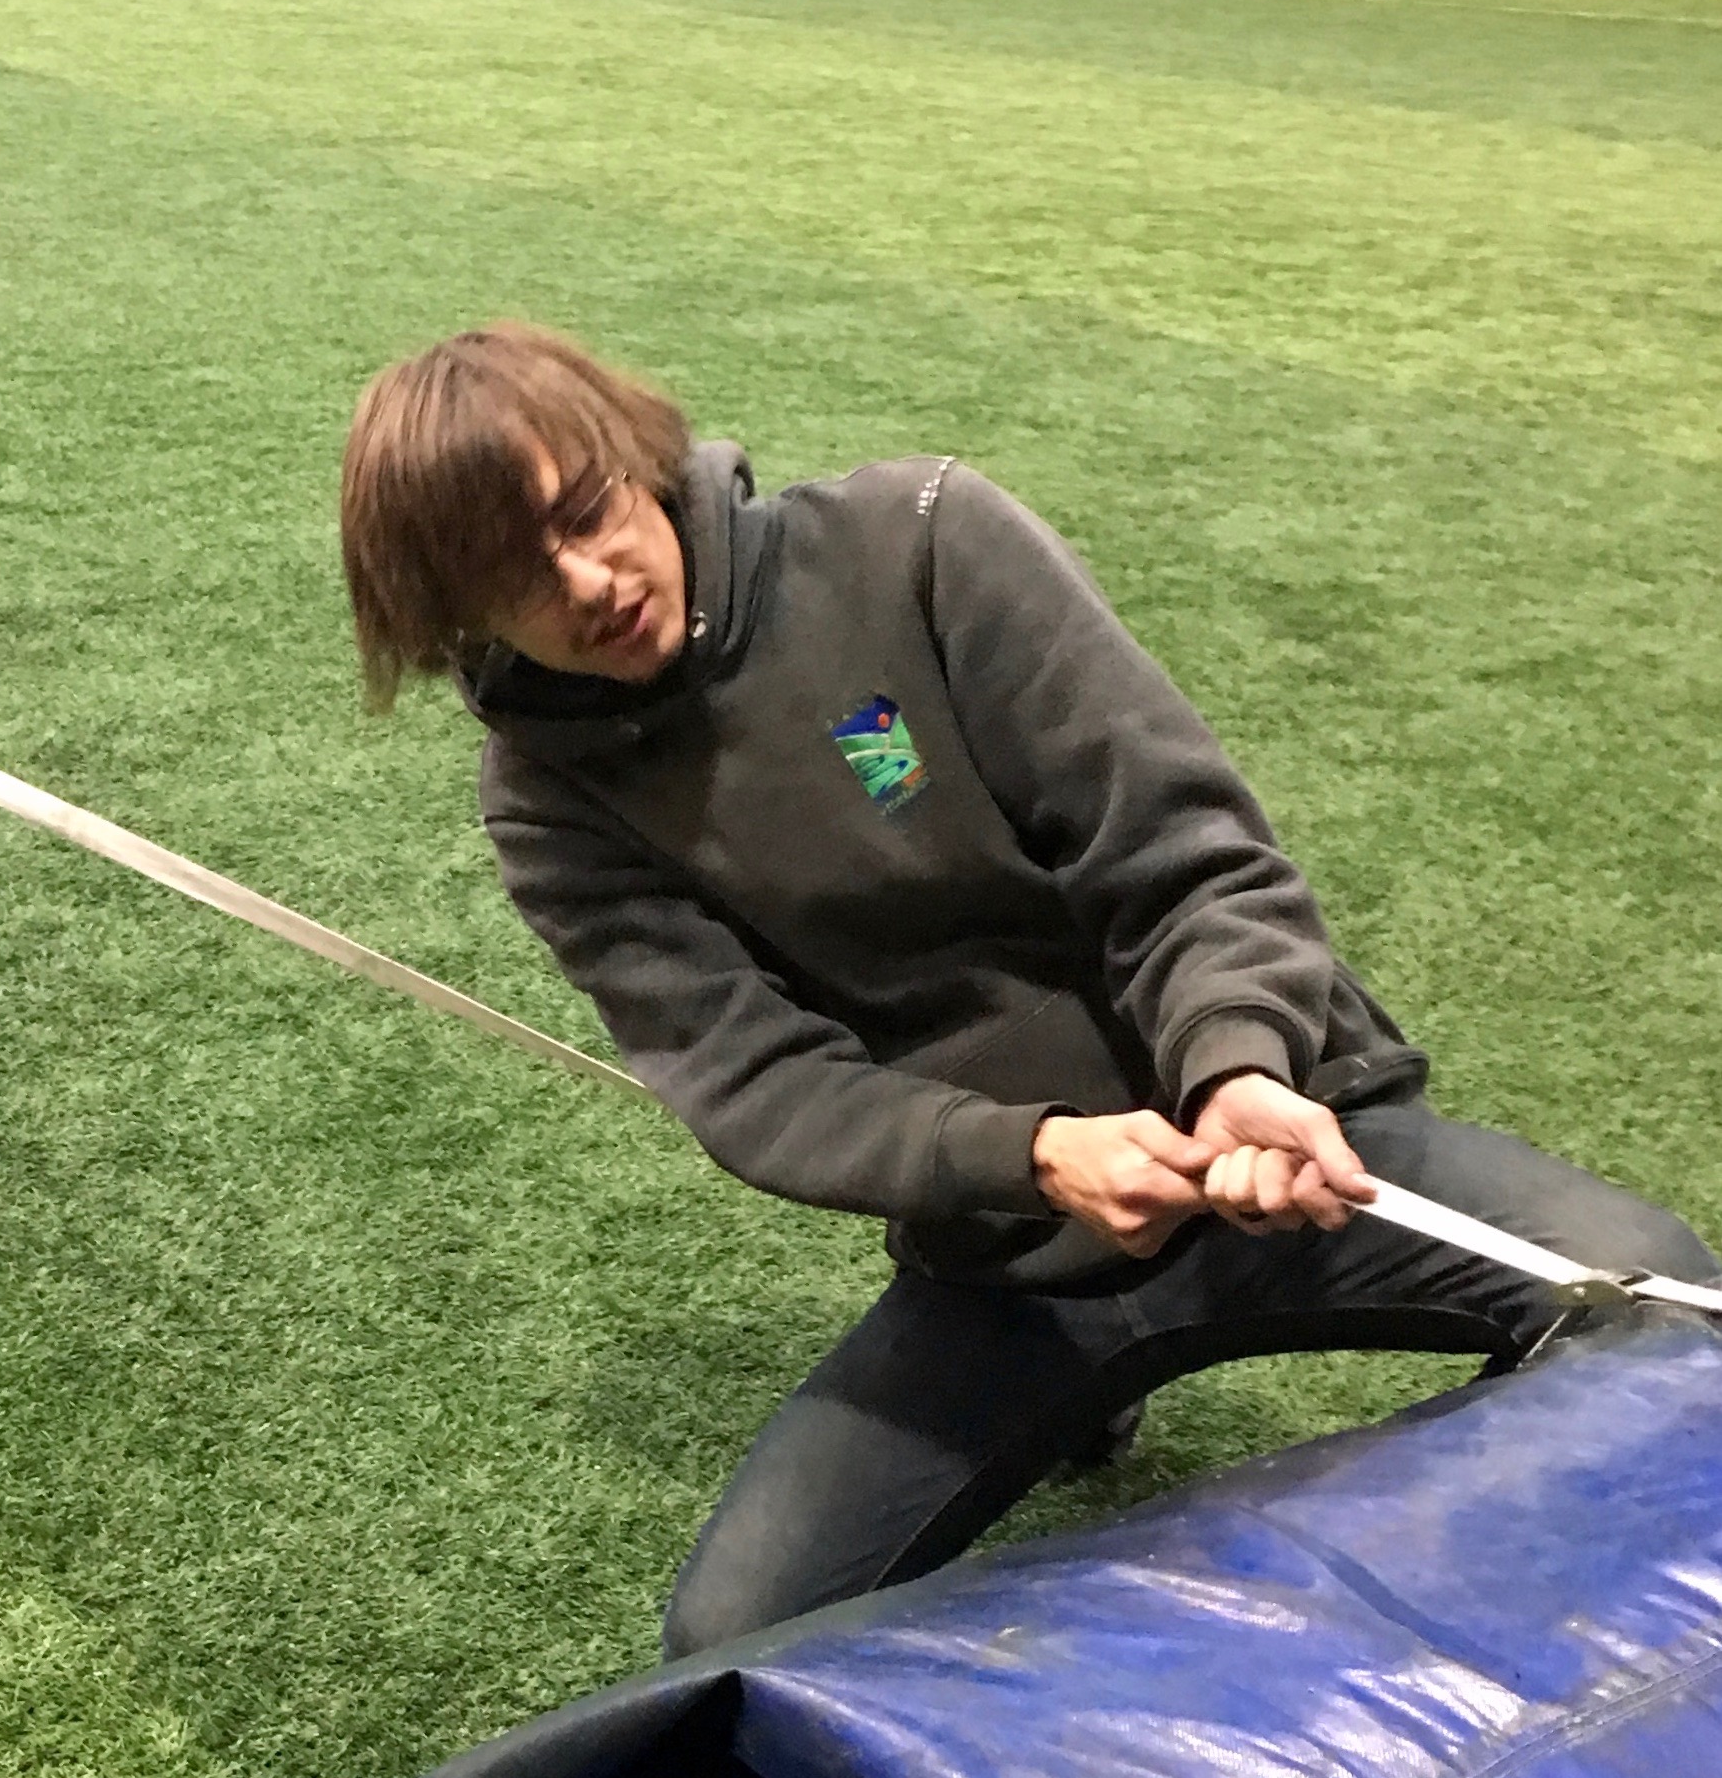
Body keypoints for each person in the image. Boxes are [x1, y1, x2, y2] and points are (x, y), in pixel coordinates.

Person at [339, 326, 1719, 1652]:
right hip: (1013, 1252)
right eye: (515, 578)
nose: (585, 580)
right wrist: (1036, 1158)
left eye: (586, 513)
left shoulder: (917, 538)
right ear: (457, 620)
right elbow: (759, 1085)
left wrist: (1238, 1065)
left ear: (635, 457)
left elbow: (1181, 852)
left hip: (1286, 1150)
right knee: (730, 1642)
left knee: (1662, 1312)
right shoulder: (545, 799)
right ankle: (1084, 1400)